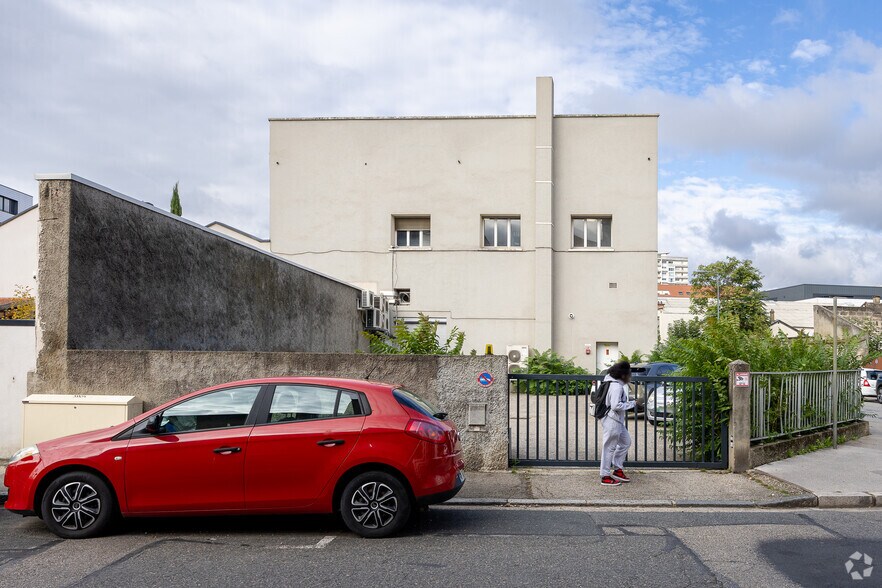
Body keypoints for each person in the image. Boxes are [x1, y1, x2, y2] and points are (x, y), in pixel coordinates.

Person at [600, 360, 643, 486]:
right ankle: (605, 476)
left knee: (625, 442)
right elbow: (615, 405)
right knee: (609, 448)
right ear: (622, 375)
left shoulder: (611, 383)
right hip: (612, 421)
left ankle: (617, 469)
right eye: (628, 374)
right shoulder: (616, 387)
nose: (629, 376)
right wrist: (633, 403)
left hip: (615, 420)